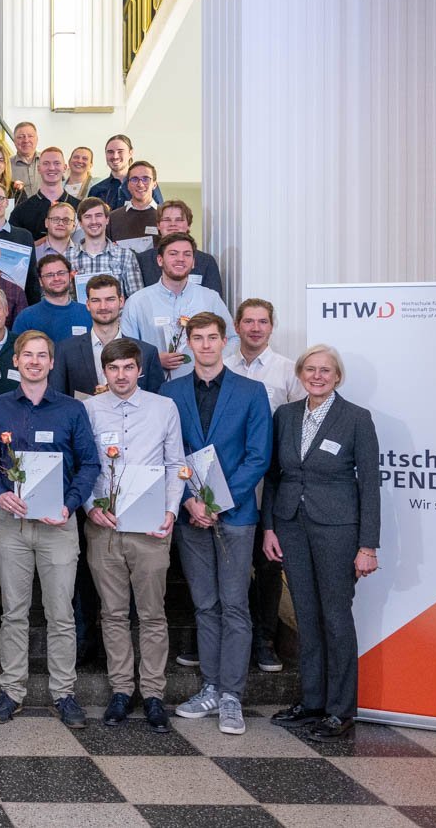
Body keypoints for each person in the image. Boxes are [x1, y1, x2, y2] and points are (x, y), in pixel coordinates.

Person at [0, 330, 100, 727]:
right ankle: (12, 690)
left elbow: (90, 465)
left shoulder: (71, 410)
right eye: (27, 355)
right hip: (11, 523)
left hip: (58, 525)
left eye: (42, 355)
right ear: (16, 361)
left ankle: (63, 693)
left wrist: (69, 505)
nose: (34, 361)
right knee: (14, 612)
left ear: (51, 362)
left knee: (60, 613)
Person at [161, 312, 272, 737]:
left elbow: (258, 456)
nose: (205, 345)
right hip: (192, 516)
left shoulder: (252, 392)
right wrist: (192, 502)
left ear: (225, 341)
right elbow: (168, 453)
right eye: (198, 338)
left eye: (212, 338)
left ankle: (231, 696)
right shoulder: (171, 394)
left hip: (236, 514)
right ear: (188, 343)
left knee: (235, 605)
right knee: (205, 605)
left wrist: (218, 502)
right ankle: (209, 686)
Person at [262, 345, 381, 741]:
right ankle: (312, 701)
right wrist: (269, 528)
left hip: (337, 530)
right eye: (310, 369)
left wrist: (368, 546)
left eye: (325, 370)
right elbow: (275, 475)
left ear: (337, 376)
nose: (317, 376)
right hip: (291, 526)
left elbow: (370, 487)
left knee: (336, 617)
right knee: (305, 618)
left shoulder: (356, 419)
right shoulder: (286, 415)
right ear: (300, 374)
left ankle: (340, 710)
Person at [81, 338, 186, 731]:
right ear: (103, 372)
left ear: (139, 370)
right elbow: (84, 463)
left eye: (128, 367)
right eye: (113, 368)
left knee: (152, 613)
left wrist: (171, 511)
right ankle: (122, 690)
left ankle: (154, 693)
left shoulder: (164, 408)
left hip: (150, 527)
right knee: (112, 612)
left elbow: (176, 462)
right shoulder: (88, 409)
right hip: (103, 527)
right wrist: (90, 506)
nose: (121, 375)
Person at [226, 296, 306, 672]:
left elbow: (299, 429)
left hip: (272, 482)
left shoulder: (289, 371)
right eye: (249, 321)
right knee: (230, 564)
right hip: (230, 480)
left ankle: (265, 639)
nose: (255, 328)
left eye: (263, 322)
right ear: (237, 325)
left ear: (272, 327)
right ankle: (229, 635)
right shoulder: (222, 366)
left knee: (269, 564)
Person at [121, 233, 234, 380]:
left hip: (200, 387)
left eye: (187, 254)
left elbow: (232, 338)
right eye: (173, 254)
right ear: (160, 260)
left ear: (193, 262)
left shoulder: (210, 298)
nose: (180, 259)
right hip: (153, 388)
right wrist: (153, 359)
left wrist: (212, 364)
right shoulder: (137, 302)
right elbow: (125, 348)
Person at [48, 275, 165, 396]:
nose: (103, 306)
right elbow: (57, 400)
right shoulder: (65, 351)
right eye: (96, 300)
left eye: (110, 299)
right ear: (87, 304)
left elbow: (156, 401)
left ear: (121, 301)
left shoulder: (147, 352)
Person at [135, 200, 225, 296]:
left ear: (188, 225)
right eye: (166, 220)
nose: (173, 224)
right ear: (158, 225)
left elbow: (213, 299)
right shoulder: (142, 260)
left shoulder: (206, 261)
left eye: (179, 220)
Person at [68, 197, 143, 299]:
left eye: (98, 216)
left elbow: (137, 299)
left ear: (107, 219)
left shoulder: (125, 256)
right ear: (80, 223)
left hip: (117, 315)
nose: (93, 221)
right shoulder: (67, 257)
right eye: (87, 217)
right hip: (79, 314)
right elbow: (62, 299)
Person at [14, 253, 93, 344]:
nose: (56, 278)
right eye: (49, 275)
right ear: (40, 281)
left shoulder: (88, 313)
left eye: (61, 273)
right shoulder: (26, 317)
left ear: (70, 276)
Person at [10, 147, 81, 241]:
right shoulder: (21, 211)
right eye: (46, 163)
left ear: (64, 168)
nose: (51, 168)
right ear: (39, 169)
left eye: (57, 163)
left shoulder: (80, 208)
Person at [88, 134, 163, 210]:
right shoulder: (96, 190)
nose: (115, 156)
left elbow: (160, 214)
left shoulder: (146, 185)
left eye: (120, 151)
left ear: (130, 153)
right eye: (110, 152)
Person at [107, 160, 163, 243]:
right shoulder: (112, 219)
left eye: (145, 179)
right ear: (128, 185)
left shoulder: (165, 217)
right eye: (134, 179)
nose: (140, 184)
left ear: (154, 184)